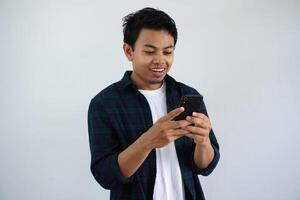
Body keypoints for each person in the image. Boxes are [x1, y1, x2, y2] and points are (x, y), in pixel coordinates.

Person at [87, 7, 220, 200]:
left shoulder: (188, 95)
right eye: (150, 51)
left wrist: (203, 142)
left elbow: (205, 166)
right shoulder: (105, 104)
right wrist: (148, 141)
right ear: (129, 51)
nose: (160, 60)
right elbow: (105, 176)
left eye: (167, 52)